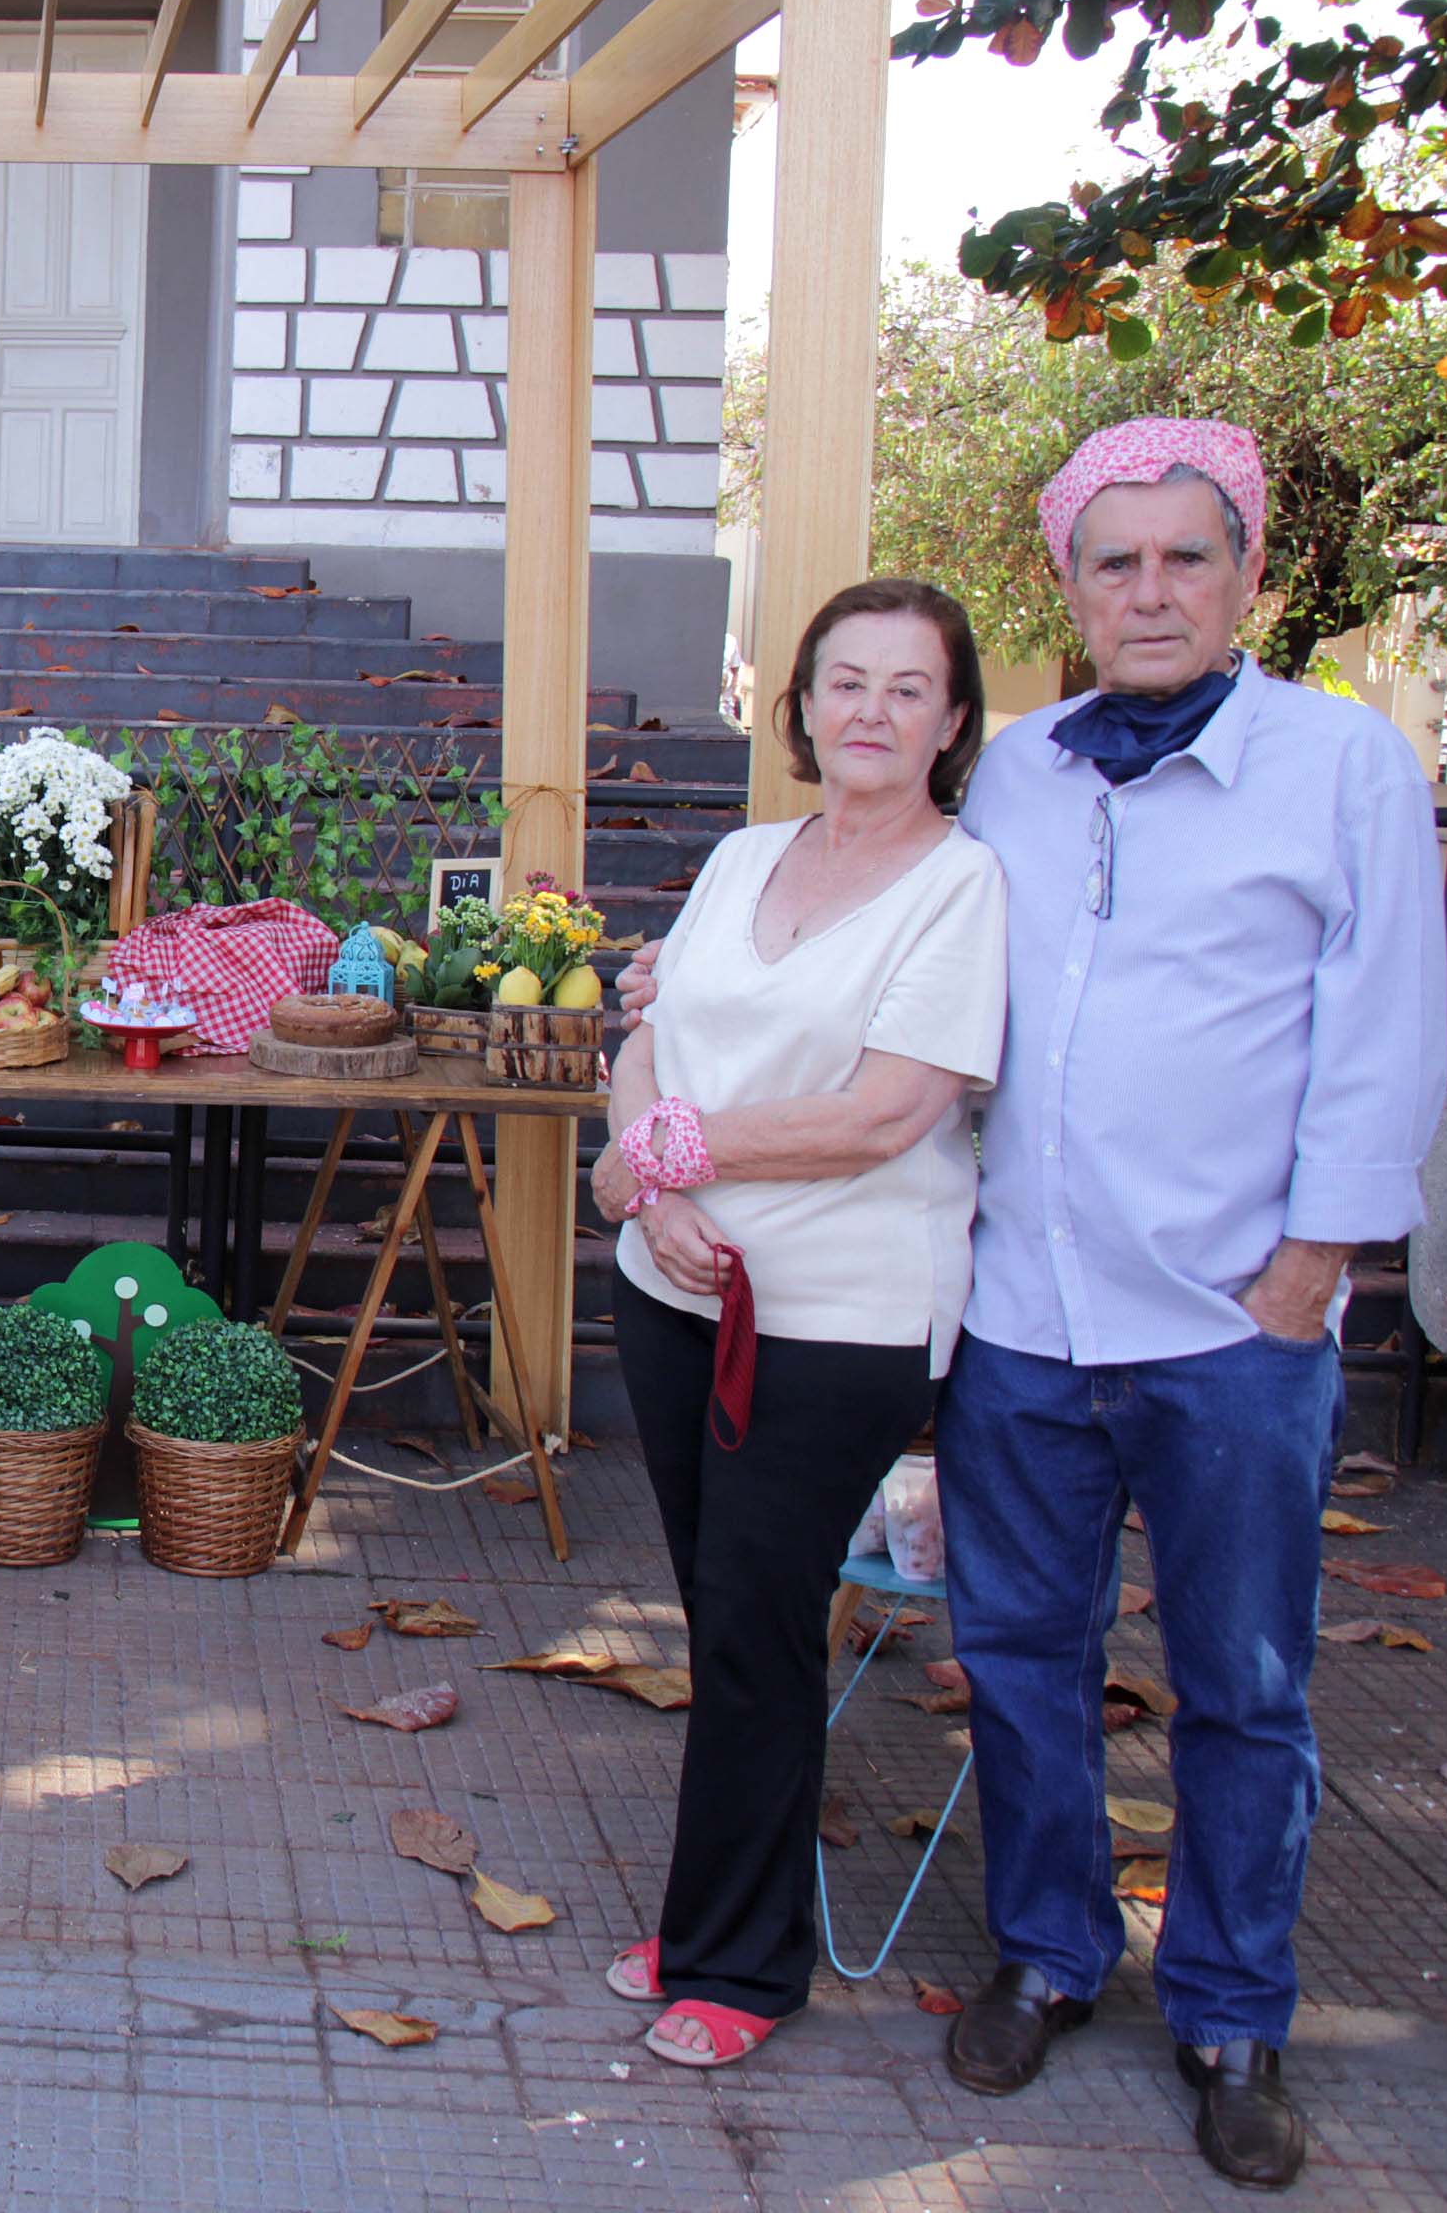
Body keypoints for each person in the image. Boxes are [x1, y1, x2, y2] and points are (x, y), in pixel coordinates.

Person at [934, 419, 1447, 2189]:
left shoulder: (1342, 762)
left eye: (1185, 559)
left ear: (1250, 578)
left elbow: (1387, 1020)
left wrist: (1317, 1264)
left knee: (1241, 1683)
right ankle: (1051, 1951)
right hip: (1025, 1311)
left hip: (1235, 1319)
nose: (1150, 592)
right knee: (1021, 1659)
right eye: (1116, 562)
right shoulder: (1017, 768)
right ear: (1069, 587)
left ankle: (1233, 2012)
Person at [588, 578, 1008, 2069]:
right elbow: (649, 1039)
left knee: (762, 1623)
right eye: (846, 681)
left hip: (834, 1320)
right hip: (673, 1291)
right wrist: (650, 1190)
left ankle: (745, 1970)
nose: (871, 711)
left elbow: (888, 1113)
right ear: (803, 706)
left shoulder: (962, 886)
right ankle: (713, 1913)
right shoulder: (745, 854)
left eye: (908, 688)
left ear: (952, 722)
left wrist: (666, 1154)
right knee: (725, 1620)